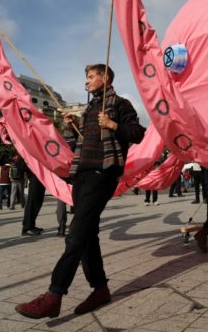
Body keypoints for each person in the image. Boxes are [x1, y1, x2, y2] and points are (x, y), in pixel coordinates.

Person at [16, 64, 145, 319]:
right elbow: (80, 143)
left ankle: (54, 295)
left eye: (90, 77)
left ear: (105, 77)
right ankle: (101, 289)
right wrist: (72, 126)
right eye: (86, 77)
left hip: (103, 173)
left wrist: (113, 124)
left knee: (75, 235)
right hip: (82, 174)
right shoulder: (89, 109)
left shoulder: (120, 104)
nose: (86, 82)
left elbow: (138, 134)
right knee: (88, 235)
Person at [20, 155, 46, 236]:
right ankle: (27, 228)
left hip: (41, 176)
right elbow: (20, 164)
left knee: (37, 202)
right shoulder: (27, 148)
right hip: (35, 177)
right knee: (32, 202)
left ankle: (31, 225)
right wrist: (31, 169)